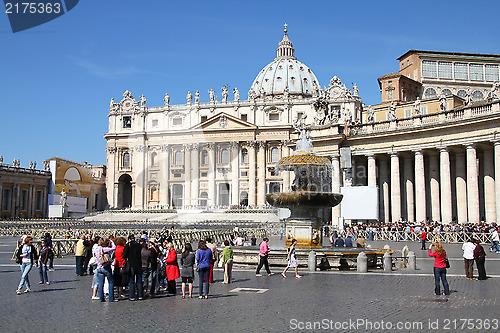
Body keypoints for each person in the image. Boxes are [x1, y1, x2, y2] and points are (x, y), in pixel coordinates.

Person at [93, 238, 116, 302]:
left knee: (100, 283)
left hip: (98, 267)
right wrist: (111, 242)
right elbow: (114, 248)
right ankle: (111, 298)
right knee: (110, 282)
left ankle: (101, 298)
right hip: (105, 267)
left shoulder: (96, 249)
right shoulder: (103, 249)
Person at [123, 234, 143, 300]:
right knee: (139, 280)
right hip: (139, 264)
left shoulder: (128, 245)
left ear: (129, 239)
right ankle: (140, 295)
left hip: (131, 264)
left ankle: (132, 296)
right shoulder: (138, 245)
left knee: (131, 280)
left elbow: (124, 255)